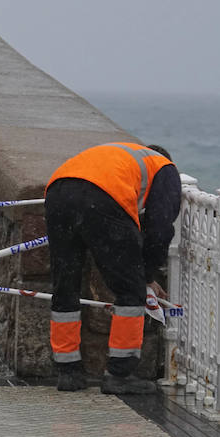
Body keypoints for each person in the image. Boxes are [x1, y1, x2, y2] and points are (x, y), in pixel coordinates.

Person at [44, 142, 181, 394]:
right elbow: (160, 229)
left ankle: (68, 372)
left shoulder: (123, 155)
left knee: (66, 283)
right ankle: (119, 374)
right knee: (130, 291)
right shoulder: (165, 168)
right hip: (101, 196)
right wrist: (147, 276)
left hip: (58, 190)